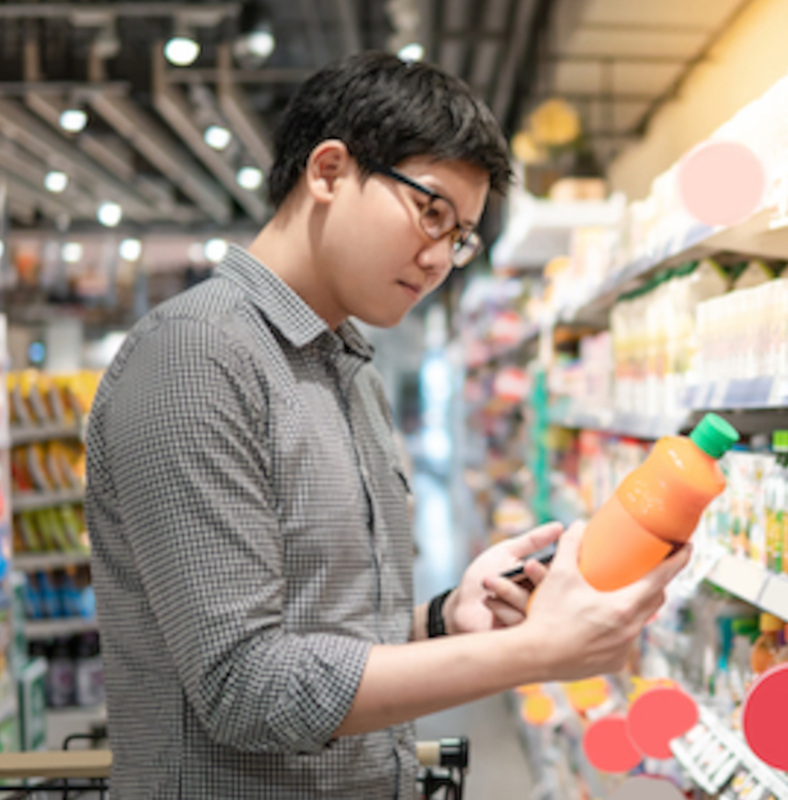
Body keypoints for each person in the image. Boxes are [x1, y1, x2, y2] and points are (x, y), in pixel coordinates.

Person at [85, 53, 689, 799]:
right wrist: (538, 651)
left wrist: (444, 619)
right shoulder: (195, 356)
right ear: (330, 172)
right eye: (429, 211)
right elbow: (245, 687)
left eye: (460, 235)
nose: (440, 258)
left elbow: (322, 638)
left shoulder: (351, 373)